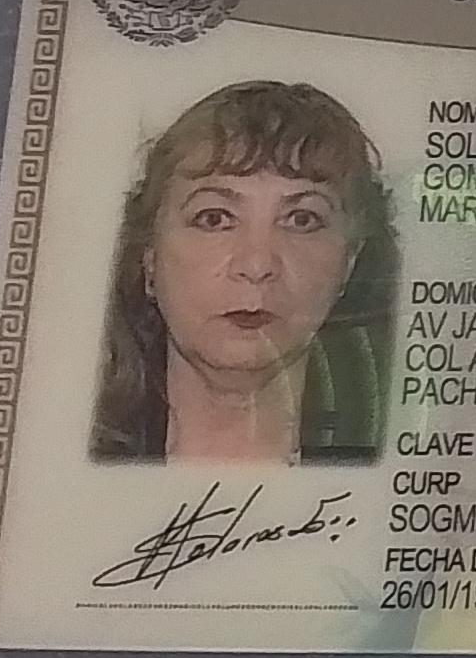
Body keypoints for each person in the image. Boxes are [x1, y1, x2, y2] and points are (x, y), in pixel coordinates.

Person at [91, 80, 397, 464]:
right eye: (214, 218)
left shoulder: (400, 470)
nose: (256, 265)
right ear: (148, 256)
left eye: (301, 219)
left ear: (350, 261)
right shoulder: (55, 457)